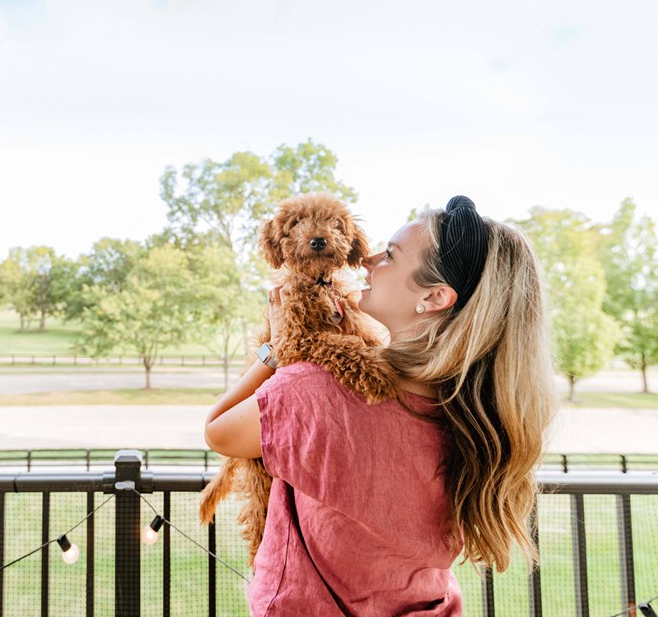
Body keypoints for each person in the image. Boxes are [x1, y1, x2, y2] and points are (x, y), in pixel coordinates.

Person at [204, 196, 556, 616]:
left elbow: (218, 431)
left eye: (390, 255)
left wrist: (273, 351)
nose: (367, 259)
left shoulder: (316, 391)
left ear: (435, 296)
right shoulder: (473, 411)